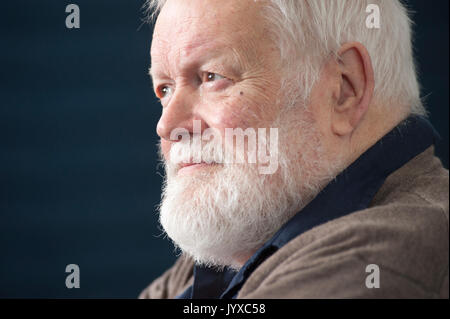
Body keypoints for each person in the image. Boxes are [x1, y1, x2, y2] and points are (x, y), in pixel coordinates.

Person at [139, 0, 449, 298]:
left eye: (211, 78)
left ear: (344, 89)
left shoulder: (375, 259)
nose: (167, 125)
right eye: (164, 89)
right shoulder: (249, 234)